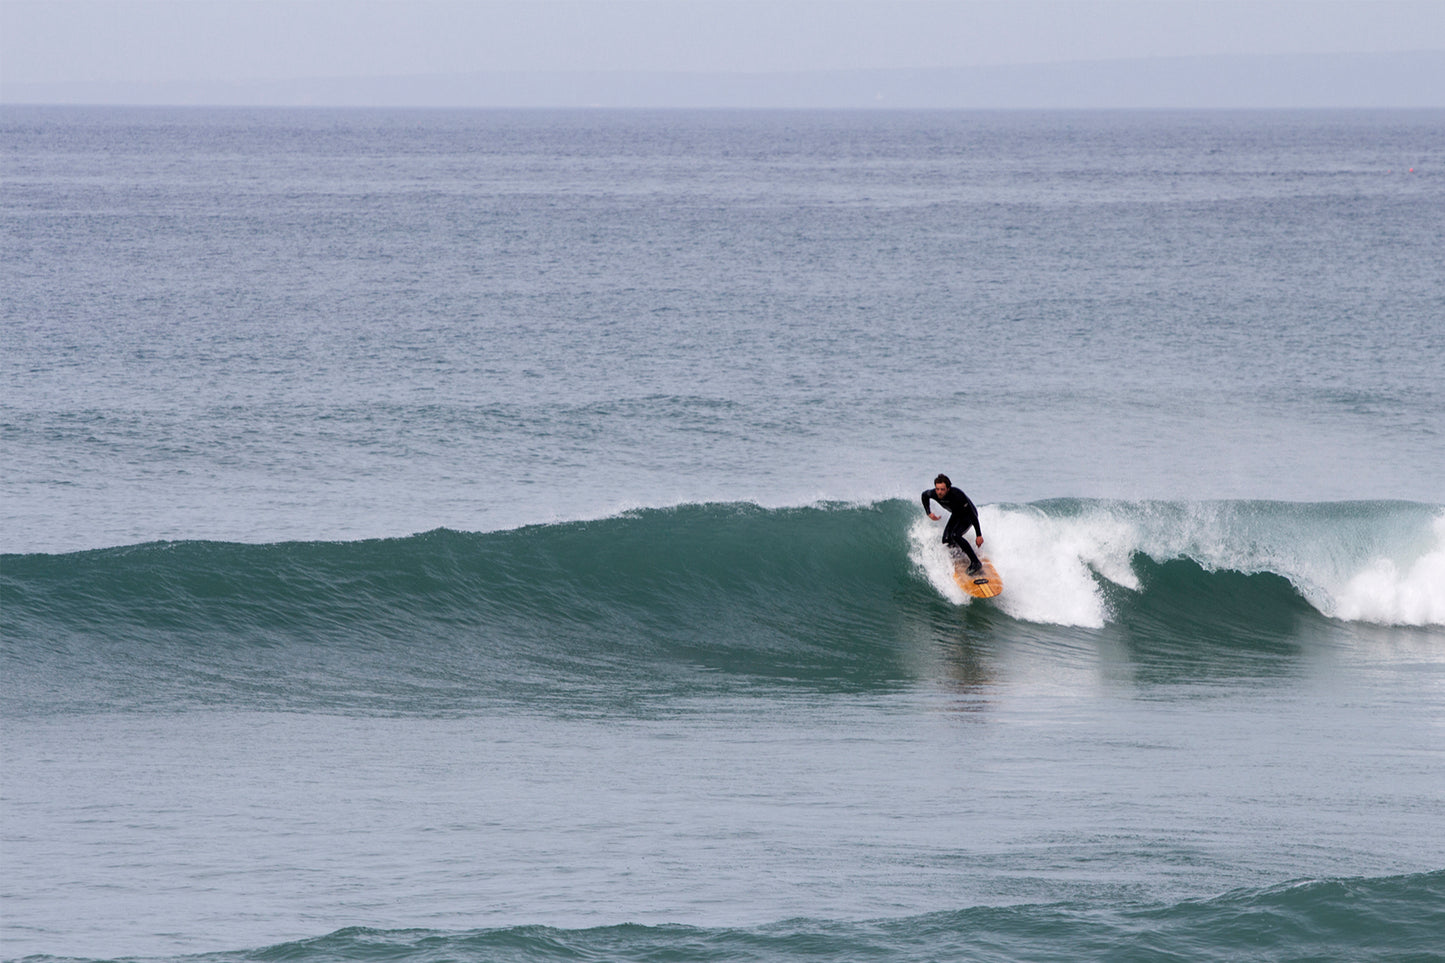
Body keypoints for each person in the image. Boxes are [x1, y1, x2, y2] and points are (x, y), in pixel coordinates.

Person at [923, 473, 984, 574]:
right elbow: (924, 495)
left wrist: (979, 535)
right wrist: (929, 513)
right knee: (946, 540)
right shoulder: (933, 493)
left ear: (948, 488)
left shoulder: (958, 495)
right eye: (937, 489)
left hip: (968, 515)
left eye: (942, 489)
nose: (939, 492)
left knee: (956, 535)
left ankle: (976, 562)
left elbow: (972, 515)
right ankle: (961, 552)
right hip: (956, 514)